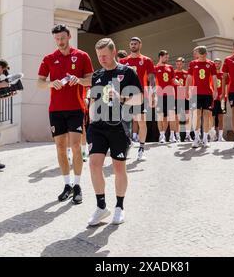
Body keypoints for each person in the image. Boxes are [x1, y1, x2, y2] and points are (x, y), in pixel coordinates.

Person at [87, 38, 143, 226]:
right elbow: (93, 102)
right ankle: (101, 207)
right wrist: (90, 121)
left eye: (105, 55)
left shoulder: (128, 72)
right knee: (94, 165)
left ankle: (119, 207)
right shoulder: (97, 75)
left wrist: (121, 98)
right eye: (99, 56)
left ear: (113, 52)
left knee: (119, 167)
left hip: (119, 126)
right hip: (98, 127)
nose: (101, 59)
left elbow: (139, 99)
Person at [37, 24, 94, 204]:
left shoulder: (82, 56)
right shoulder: (48, 58)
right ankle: (67, 185)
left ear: (69, 36)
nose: (60, 42)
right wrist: (50, 84)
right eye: (57, 39)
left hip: (76, 108)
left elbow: (91, 79)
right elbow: (39, 82)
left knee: (76, 146)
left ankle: (77, 185)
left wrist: (79, 80)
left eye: (62, 38)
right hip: (55, 110)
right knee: (60, 148)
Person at [119, 37, 155, 160]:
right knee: (122, 123)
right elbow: (119, 78)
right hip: (125, 95)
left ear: (140, 45)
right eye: (132, 44)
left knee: (141, 122)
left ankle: (141, 148)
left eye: (135, 43)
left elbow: (151, 79)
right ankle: (126, 143)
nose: (133, 45)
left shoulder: (146, 60)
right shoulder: (123, 61)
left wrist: (153, 94)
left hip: (141, 95)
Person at [186, 46, 218, 148]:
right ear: (198, 54)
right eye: (201, 54)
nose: (203, 56)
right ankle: (196, 138)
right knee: (197, 115)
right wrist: (186, 90)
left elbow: (214, 77)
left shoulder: (211, 63)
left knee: (206, 115)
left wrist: (216, 90)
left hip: (208, 93)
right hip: (196, 93)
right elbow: (189, 77)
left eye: (205, 54)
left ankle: (205, 138)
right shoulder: (193, 63)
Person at [154, 50, 179, 143]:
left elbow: (173, 80)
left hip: (170, 94)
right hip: (160, 94)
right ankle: (162, 136)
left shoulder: (170, 67)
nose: (167, 59)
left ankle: (172, 136)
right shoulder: (155, 68)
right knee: (161, 117)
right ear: (160, 56)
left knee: (172, 116)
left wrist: (180, 84)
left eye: (168, 57)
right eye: (166, 57)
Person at [174, 57, 191, 142]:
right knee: (177, 117)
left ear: (183, 64)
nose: (179, 65)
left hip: (185, 97)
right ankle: (177, 135)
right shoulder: (173, 73)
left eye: (180, 64)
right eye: (177, 64)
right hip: (177, 97)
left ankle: (188, 135)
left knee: (187, 116)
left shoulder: (187, 73)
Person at [212, 58, 228, 142]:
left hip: (222, 99)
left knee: (221, 117)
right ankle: (213, 135)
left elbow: (227, 86)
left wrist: (225, 95)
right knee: (212, 117)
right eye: (215, 63)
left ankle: (220, 136)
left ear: (221, 64)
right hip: (213, 99)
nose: (217, 65)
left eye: (218, 63)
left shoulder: (224, 75)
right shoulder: (211, 75)